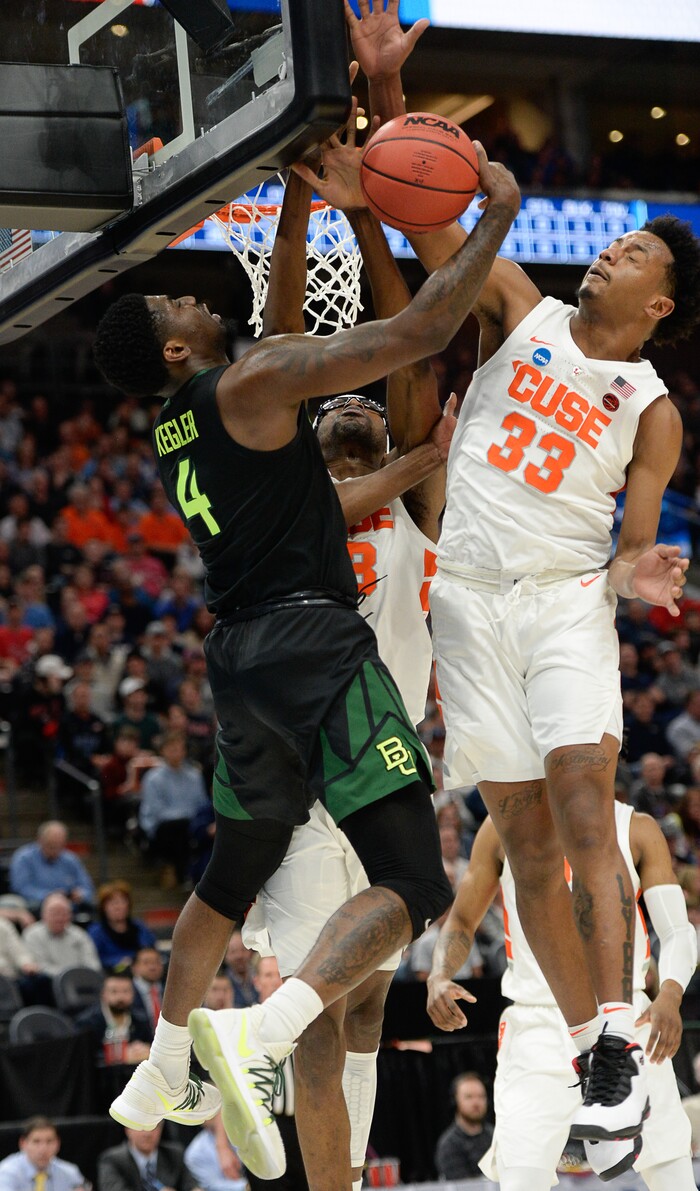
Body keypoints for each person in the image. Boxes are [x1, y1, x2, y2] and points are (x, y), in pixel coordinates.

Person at [93, 114, 519, 1183]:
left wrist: (297, 202)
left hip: (240, 660)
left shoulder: (193, 413)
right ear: (178, 347)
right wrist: (492, 216)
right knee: (413, 884)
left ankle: (165, 1062)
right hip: (312, 652)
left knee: (231, 870)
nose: (190, 291)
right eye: (172, 304)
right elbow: (417, 332)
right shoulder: (247, 390)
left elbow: (280, 334)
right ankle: (257, 1031)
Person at [345, 0, 700, 1143]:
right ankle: (591, 1033)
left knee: (585, 807)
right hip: (464, 599)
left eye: (635, 250)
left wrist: (641, 573)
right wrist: (393, 101)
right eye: (614, 237)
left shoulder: (650, 410)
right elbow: (427, 214)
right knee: (524, 844)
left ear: (659, 307)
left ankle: (613, 1025)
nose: (611, 249)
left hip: (559, 604)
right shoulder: (519, 308)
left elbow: (637, 536)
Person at [240, 140, 454, 1190]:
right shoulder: (283, 502)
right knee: (320, 1016)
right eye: (333, 406)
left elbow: (410, 354)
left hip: (383, 766)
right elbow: (283, 342)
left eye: (365, 404)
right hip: (299, 768)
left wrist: (367, 217)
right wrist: (290, 213)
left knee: (363, 1001)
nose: (351, 404)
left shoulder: (416, 500)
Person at [426, 805, 697, 1190]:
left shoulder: (635, 827)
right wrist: (439, 974)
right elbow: (462, 920)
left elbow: (678, 930)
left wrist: (670, 991)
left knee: (671, 1170)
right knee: (522, 1177)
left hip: (624, 1016)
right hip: (536, 1020)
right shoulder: (503, 821)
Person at [138, 731, 211, 889]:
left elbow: (201, 804)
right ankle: (182, 873)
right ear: (163, 751)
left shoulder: (194, 776)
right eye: (172, 749)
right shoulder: (153, 778)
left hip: (188, 824)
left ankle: (191, 874)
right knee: (178, 827)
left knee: (202, 828)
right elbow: (155, 812)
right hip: (162, 827)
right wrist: (185, 816)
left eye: (180, 748)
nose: (177, 753)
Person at [9, 821, 95, 916]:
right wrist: (50, 896)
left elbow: (87, 887)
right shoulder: (24, 858)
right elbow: (21, 888)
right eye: (51, 845)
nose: (55, 850)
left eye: (60, 846)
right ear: (40, 840)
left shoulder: (70, 859)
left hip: (70, 908)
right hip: (37, 909)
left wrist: (81, 894)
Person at [75, 972, 153, 1064]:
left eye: (126, 991)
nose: (120, 997)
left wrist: (146, 1050)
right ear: (104, 994)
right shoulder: (87, 1023)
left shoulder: (141, 1020)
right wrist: (120, 1055)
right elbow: (84, 1058)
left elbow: (151, 1046)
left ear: (133, 994)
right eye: (114, 991)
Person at [97, 1126, 203, 1191]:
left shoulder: (174, 1154)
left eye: (153, 1126)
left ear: (161, 1129)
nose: (147, 1133)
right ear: (127, 1129)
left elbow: (190, 1184)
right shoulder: (111, 1160)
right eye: (140, 1127)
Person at [22, 891, 101, 977]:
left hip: (81, 980)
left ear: (70, 915)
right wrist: (68, 975)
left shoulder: (79, 934)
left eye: (64, 913)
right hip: (48, 982)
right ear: (43, 914)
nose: (59, 918)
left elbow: (93, 963)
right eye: (54, 913)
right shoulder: (32, 934)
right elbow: (39, 966)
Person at [433, 1072, 493, 1182]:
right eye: (469, 1097)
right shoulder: (449, 1144)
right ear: (455, 1101)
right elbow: (462, 1186)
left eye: (481, 1096)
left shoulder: (495, 1136)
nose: (476, 1102)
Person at [0, 1117, 88, 1191]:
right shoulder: (7, 1172)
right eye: (36, 1141)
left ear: (58, 1143)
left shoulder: (70, 1173)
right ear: (23, 1144)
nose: (43, 1149)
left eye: (49, 1141)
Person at [87, 881, 157, 973]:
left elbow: (151, 949)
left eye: (122, 902)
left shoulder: (139, 927)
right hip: (110, 976)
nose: (118, 907)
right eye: (113, 903)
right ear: (103, 907)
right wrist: (119, 963)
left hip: (141, 974)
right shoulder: (96, 932)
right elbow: (93, 960)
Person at [183, 1116, 248, 1191]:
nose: (211, 1114)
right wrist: (246, 1186)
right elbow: (212, 1186)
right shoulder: (195, 1152)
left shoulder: (244, 1130)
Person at [132, 947, 166, 1033]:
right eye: (146, 963)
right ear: (135, 967)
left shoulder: (170, 990)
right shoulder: (128, 991)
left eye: (157, 962)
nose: (152, 967)